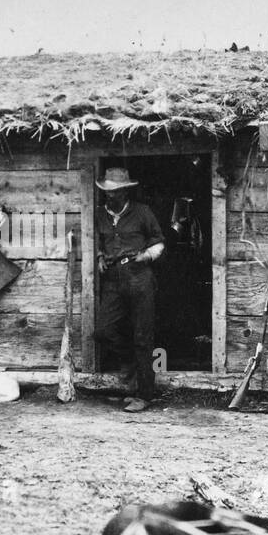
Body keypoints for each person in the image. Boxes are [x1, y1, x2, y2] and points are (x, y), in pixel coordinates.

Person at [93, 167, 165, 413]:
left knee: (143, 337)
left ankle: (145, 395)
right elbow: (98, 241)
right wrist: (101, 255)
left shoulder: (142, 212)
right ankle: (131, 364)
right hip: (113, 279)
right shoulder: (100, 214)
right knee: (103, 329)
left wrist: (144, 256)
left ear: (124, 192)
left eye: (114, 192)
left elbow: (159, 242)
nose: (109, 196)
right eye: (107, 191)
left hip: (139, 277)